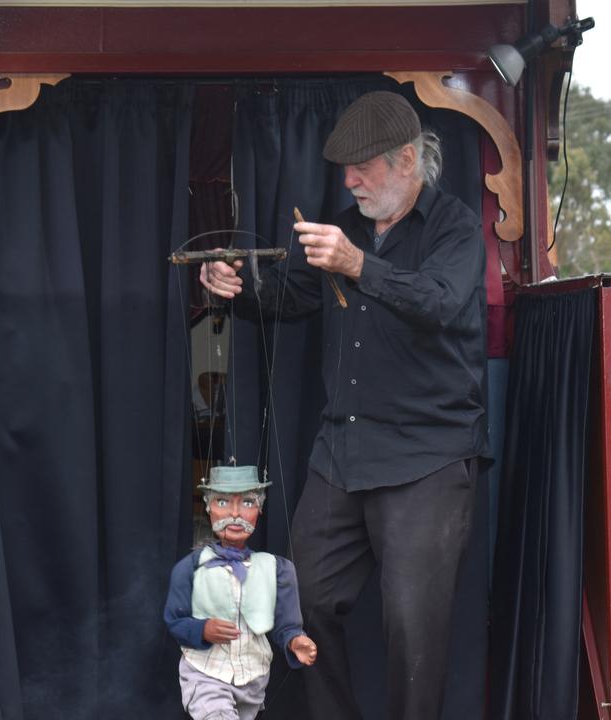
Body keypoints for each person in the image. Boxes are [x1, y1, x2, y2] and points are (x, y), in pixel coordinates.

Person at [199, 90, 488, 720]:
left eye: (364, 167)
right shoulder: (348, 228)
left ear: (407, 160)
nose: (349, 180)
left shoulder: (455, 228)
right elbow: (288, 297)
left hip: (427, 458)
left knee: (414, 627)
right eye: (346, 168)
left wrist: (358, 265)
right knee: (301, 604)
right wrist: (235, 288)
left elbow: (440, 302)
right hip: (343, 454)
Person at [164, 465, 318, 720]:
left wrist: (295, 640)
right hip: (206, 674)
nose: (235, 514)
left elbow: (286, 624)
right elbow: (175, 622)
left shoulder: (277, 569)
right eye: (223, 502)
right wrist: (202, 630)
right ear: (208, 506)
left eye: (247, 503)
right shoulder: (190, 568)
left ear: (259, 509)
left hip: (253, 680)